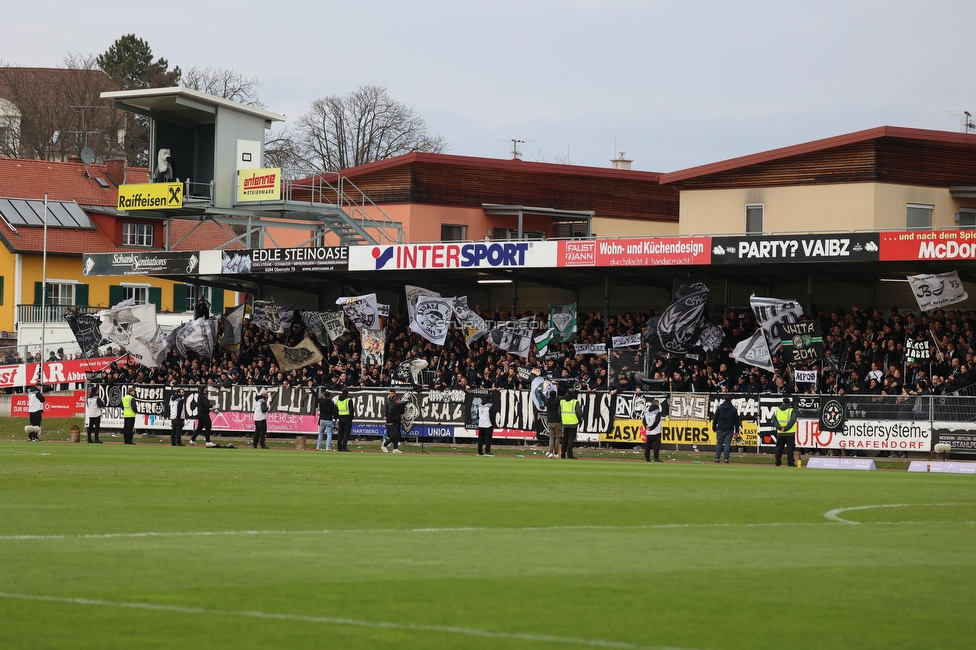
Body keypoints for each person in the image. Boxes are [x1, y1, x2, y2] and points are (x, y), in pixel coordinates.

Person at [712, 395, 741, 463]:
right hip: (729, 428)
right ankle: (726, 459)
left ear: (725, 400)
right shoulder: (733, 409)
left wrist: (714, 427)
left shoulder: (719, 408)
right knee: (727, 444)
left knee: (719, 443)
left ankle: (717, 458)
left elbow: (715, 419)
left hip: (720, 427)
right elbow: (736, 421)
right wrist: (737, 431)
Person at [770, 397, 798, 467]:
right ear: (789, 403)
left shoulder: (776, 411)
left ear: (782, 402)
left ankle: (777, 461)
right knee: (790, 448)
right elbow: (792, 421)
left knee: (779, 448)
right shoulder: (791, 411)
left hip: (780, 433)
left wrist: (779, 427)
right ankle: (790, 462)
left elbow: (773, 421)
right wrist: (786, 428)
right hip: (790, 433)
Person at [559, 388, 583, 459]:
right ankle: (569, 454)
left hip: (565, 423)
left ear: (566, 393)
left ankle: (563, 454)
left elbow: (559, 412)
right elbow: (579, 413)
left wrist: (563, 419)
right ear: (573, 394)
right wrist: (578, 420)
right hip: (573, 423)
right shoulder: (575, 402)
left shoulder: (562, 402)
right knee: (571, 439)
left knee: (564, 439)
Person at [545, 386, 563, 458]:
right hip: (557, 421)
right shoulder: (558, 400)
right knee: (558, 437)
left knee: (551, 438)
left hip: (550, 421)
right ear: (555, 395)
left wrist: (540, 391)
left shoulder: (547, 401)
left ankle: (550, 451)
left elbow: (543, 396)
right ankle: (556, 452)